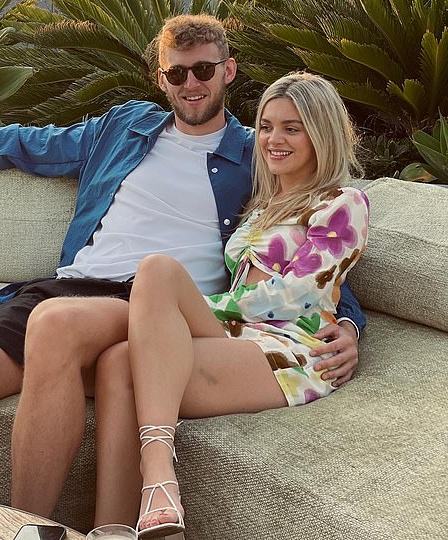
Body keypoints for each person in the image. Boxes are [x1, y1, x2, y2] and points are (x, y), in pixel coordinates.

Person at [0, 14, 363, 528]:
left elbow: (313, 246)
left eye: (203, 70)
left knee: (57, 324)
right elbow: (27, 141)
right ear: (162, 77)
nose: (190, 83)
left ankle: (24, 530)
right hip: (66, 291)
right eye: (176, 71)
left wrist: (349, 325)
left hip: (155, 309)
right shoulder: (125, 127)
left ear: (227, 72)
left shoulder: (258, 151)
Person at [93, 71, 369, 538]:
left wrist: (197, 305)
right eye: (265, 126)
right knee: (116, 361)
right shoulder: (263, 207)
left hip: (292, 350)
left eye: (291, 128)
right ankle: (112, 529)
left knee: (157, 274)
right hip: (241, 336)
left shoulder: (343, 202)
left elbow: (300, 295)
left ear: (320, 132)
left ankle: (158, 471)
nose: (273, 139)